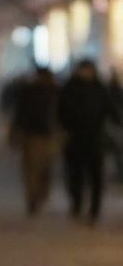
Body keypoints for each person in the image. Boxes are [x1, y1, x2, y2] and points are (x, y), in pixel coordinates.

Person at [57, 59, 119, 224]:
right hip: (75, 139)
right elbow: (60, 112)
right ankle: (77, 204)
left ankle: (94, 209)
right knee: (75, 175)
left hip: (95, 139)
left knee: (96, 176)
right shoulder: (69, 89)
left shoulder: (100, 89)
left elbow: (111, 110)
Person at [10, 66, 59, 216]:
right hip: (39, 135)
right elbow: (20, 113)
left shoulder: (49, 91)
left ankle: (35, 196)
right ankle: (36, 196)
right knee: (40, 168)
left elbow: (20, 113)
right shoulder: (51, 91)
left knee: (36, 169)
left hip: (40, 135)